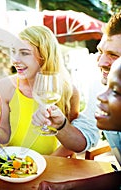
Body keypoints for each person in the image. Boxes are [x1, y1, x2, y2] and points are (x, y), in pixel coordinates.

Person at [0, 25, 80, 156]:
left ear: (44, 56)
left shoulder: (68, 91)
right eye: (13, 51)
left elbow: (71, 143)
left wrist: (45, 163)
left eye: (24, 53)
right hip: (14, 163)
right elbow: (5, 134)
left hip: (52, 164)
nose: (15, 60)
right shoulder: (4, 86)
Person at [33, 11, 121, 158]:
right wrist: (61, 125)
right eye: (100, 51)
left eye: (113, 55)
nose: (100, 62)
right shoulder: (100, 86)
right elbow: (84, 138)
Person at [38, 57, 121, 190]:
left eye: (116, 91)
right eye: (100, 52)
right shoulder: (99, 83)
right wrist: (62, 187)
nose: (100, 62)